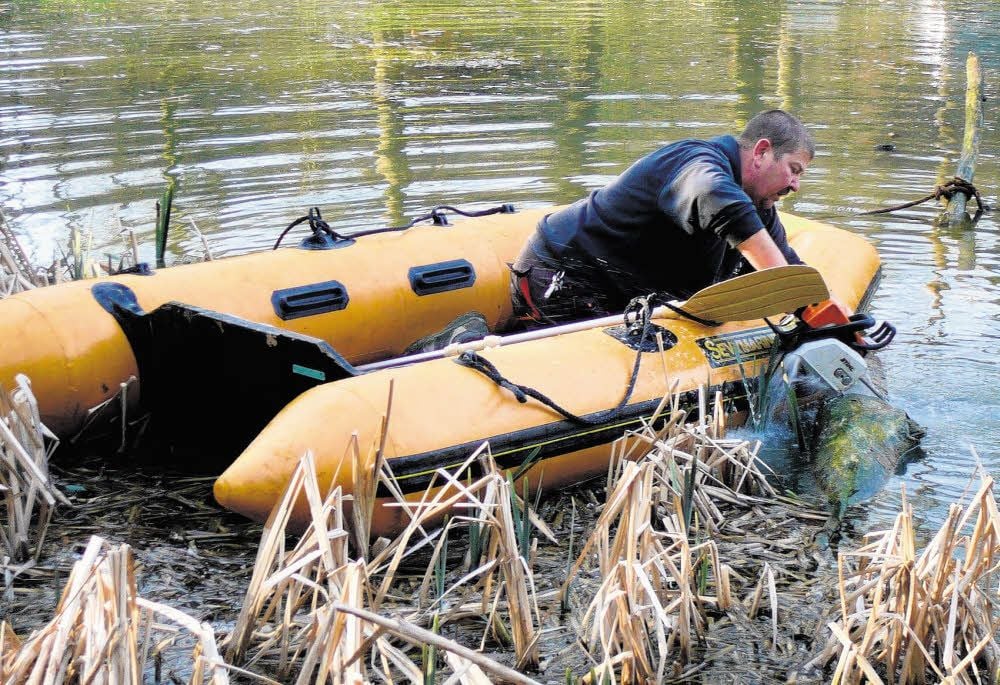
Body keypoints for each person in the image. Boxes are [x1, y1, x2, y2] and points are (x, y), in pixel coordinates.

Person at [510, 109, 838, 327]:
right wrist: (792, 294)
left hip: (622, 289)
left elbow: (787, 266)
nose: (796, 185)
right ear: (762, 152)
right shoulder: (697, 164)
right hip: (563, 274)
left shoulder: (759, 204)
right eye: (794, 170)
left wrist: (833, 315)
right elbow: (713, 194)